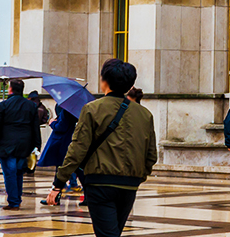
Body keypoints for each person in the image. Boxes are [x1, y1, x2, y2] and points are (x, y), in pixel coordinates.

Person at [44, 59, 156, 237]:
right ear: (130, 85)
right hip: (130, 185)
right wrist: (139, 176)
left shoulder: (91, 109)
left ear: (104, 81)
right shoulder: (145, 114)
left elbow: (76, 150)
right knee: (113, 233)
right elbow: (151, 155)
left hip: (100, 183)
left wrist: (58, 183)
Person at [0, 80, 43, 209]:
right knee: (19, 172)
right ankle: (17, 198)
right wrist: (37, 143)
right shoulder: (31, 105)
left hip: (6, 143)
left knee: (9, 172)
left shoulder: (3, 105)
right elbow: (35, 126)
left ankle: (14, 201)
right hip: (25, 143)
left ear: (10, 89)